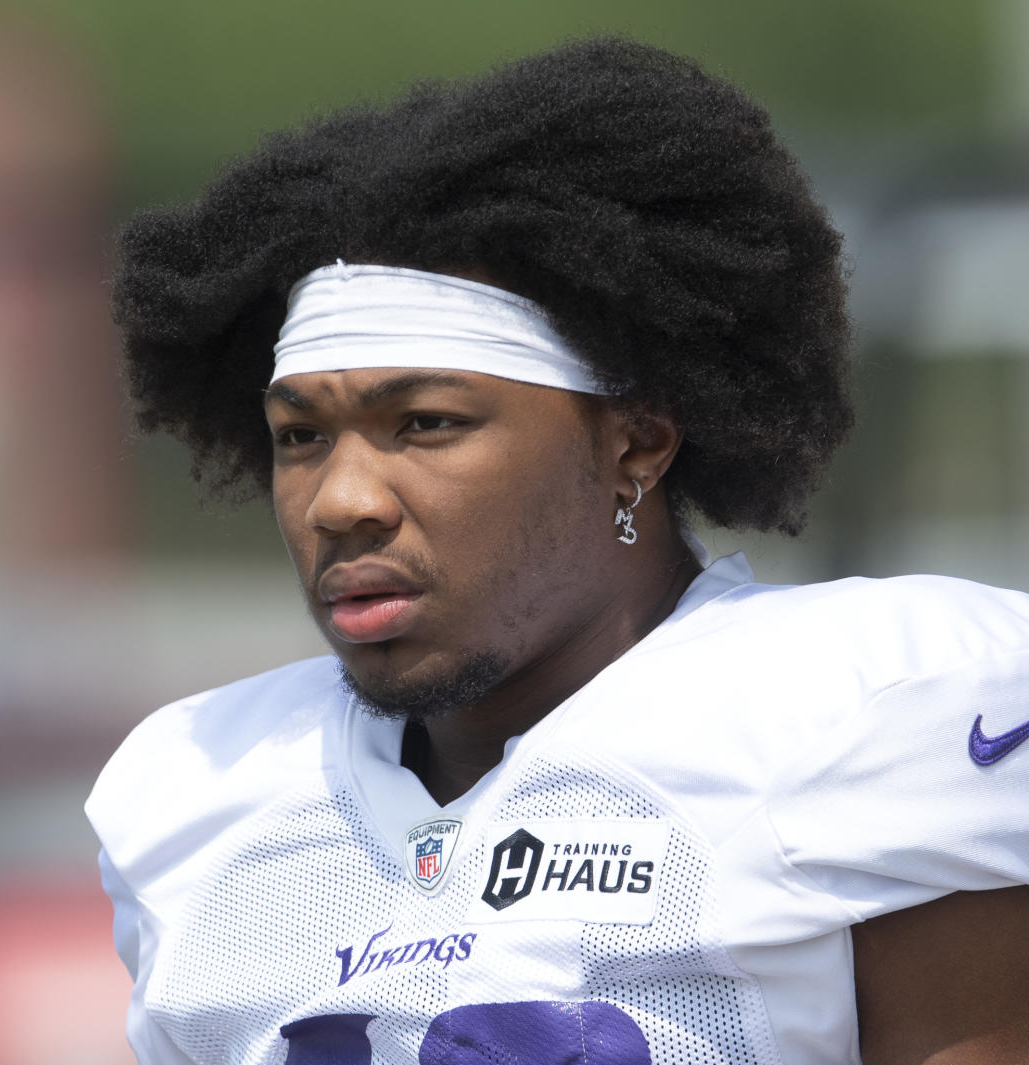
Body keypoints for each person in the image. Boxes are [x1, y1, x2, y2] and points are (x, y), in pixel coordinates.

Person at [87, 37, 1029, 1065]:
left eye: (428, 423)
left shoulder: (871, 712)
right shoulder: (195, 799)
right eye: (301, 437)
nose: (342, 502)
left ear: (635, 443)